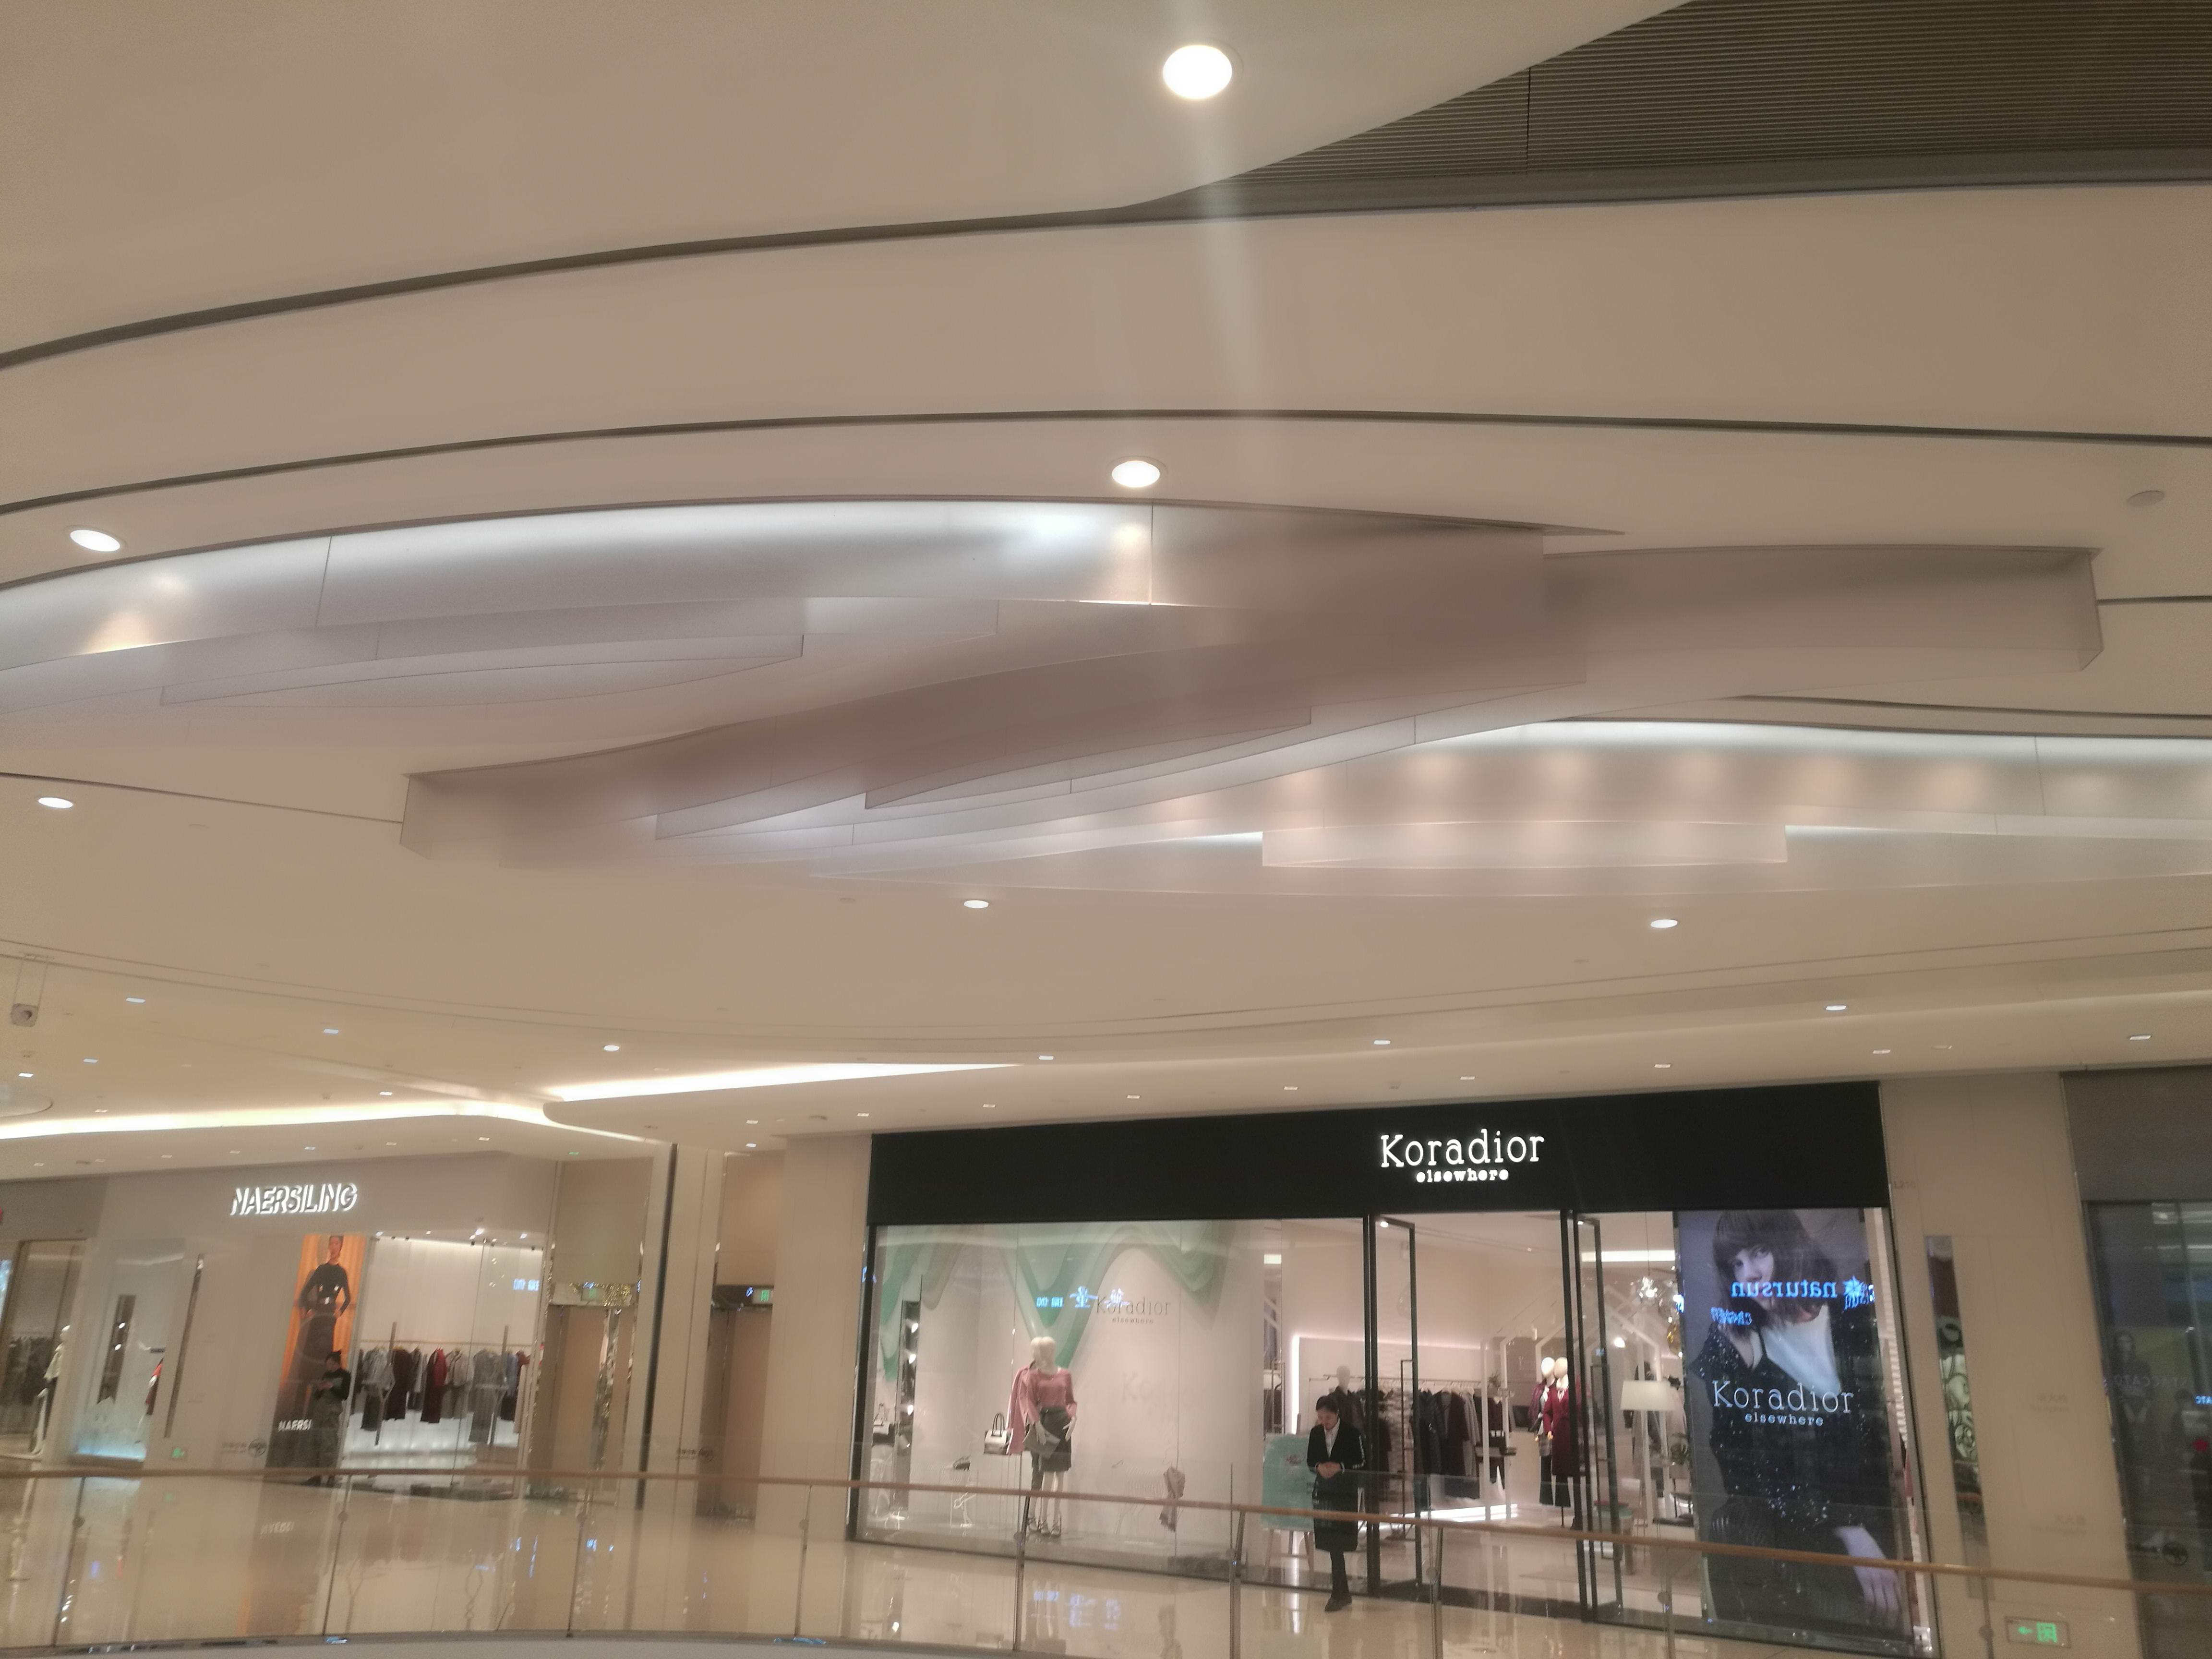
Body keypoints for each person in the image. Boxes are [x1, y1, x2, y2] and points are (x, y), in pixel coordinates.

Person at [1690, 1211, 1902, 1639]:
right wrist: (1846, 1525)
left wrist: (1867, 1524)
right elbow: (1740, 1466)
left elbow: (1876, 1442)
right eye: (1736, 1264)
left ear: (1790, 1245)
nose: (1749, 1275)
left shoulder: (1850, 1318)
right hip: (1790, 1534)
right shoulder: (1736, 1338)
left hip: (1873, 1516)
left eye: (1759, 1253)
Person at [1308, 1395, 1366, 1612]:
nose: (1324, 1422)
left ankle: (1340, 1593)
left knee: (1339, 1543)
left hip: (1344, 1494)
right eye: (1321, 1418)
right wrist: (1319, 1467)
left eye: (1328, 1418)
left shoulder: (1352, 1433)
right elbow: (1310, 1460)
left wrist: (1340, 1467)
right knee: (1331, 1544)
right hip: (1323, 1492)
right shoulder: (1316, 1433)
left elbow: (1362, 1462)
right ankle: (1341, 1593)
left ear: (1337, 1414)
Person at [307, 1349, 350, 1481]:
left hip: (332, 1412)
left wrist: (332, 1387)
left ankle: (331, 1473)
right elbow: (318, 1396)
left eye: (331, 1364)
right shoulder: (326, 1375)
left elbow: (345, 1395)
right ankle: (317, 1474)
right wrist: (320, 1389)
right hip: (320, 1409)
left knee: (329, 1441)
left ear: (337, 1364)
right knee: (317, 1440)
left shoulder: (345, 1376)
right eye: (327, 1365)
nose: (328, 1367)